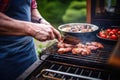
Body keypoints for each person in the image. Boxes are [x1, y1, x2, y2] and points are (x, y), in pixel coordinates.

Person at [0, 0, 61, 80]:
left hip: (28, 53)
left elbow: (31, 7)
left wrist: (41, 21)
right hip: (4, 59)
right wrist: (30, 29)